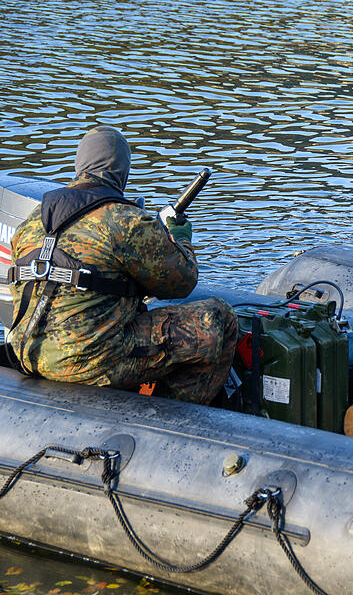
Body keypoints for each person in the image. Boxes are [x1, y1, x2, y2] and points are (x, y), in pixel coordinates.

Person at [6, 126, 237, 404]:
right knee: (219, 318)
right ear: (122, 173)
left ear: (79, 165)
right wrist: (179, 239)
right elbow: (182, 282)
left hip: (27, 352)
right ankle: (176, 415)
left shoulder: (34, 219)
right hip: (87, 361)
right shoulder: (126, 220)